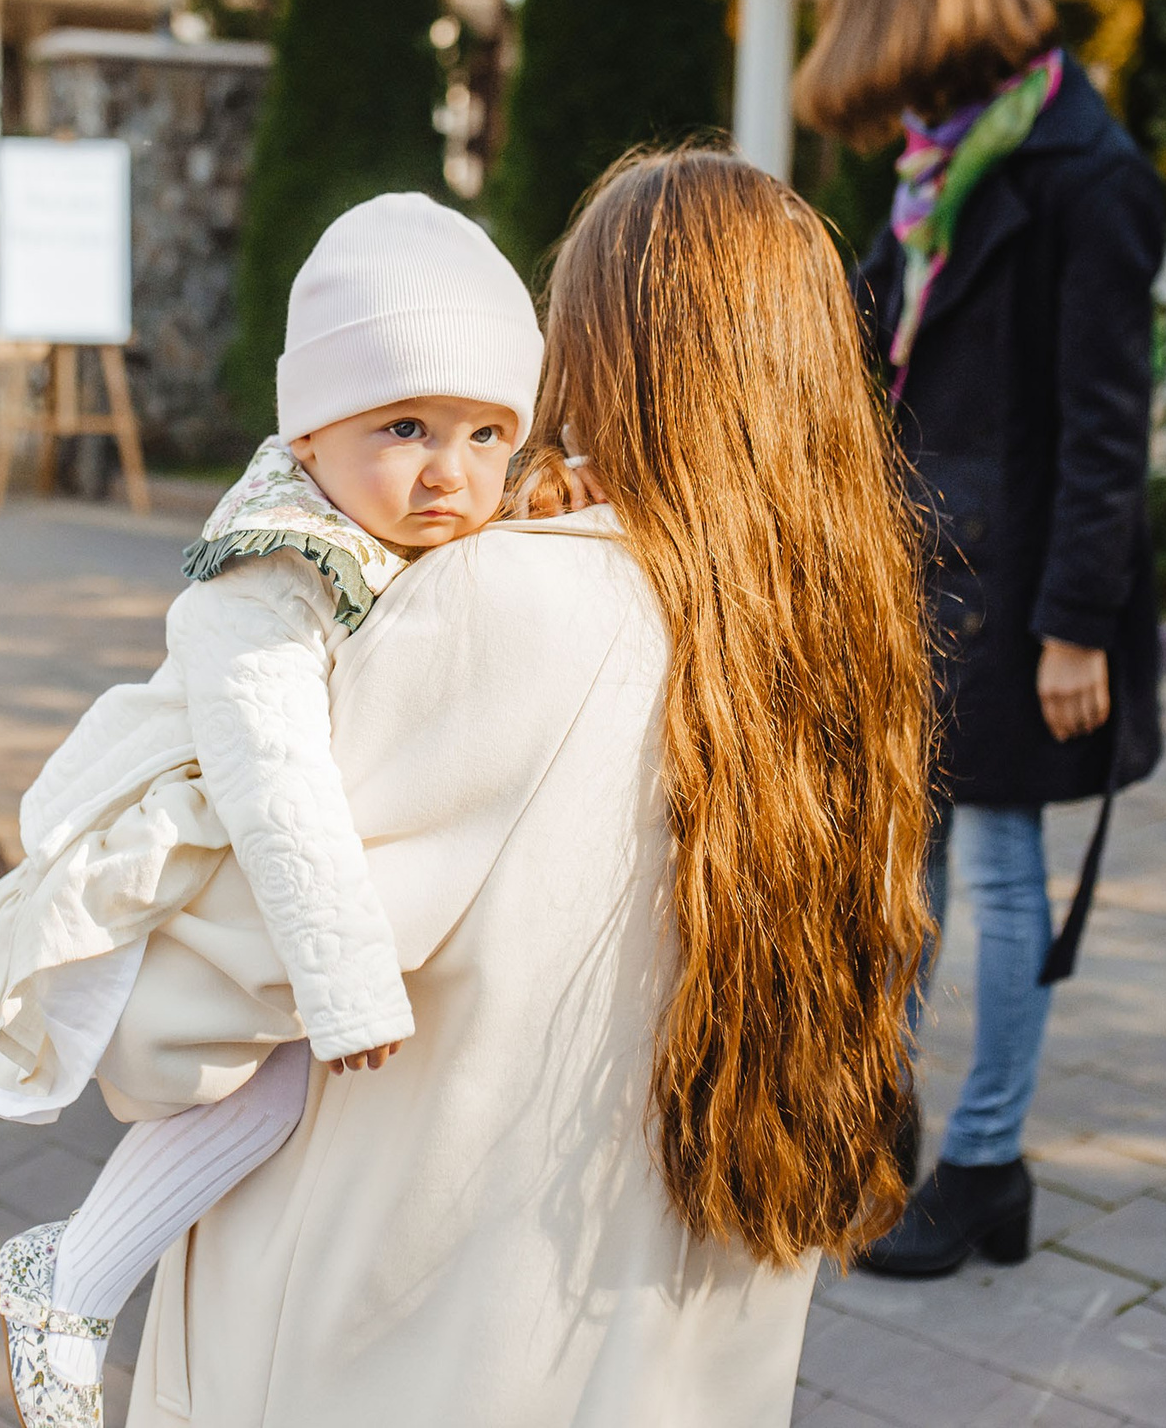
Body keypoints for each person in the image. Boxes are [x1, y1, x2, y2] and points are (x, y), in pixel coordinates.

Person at [92, 151, 931, 1425]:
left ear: (589, 356)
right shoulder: (839, 653)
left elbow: (172, 1032)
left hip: (389, 1353)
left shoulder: (511, 602)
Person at [0, 193, 544, 1427]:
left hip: (269, 874)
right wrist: (349, 982)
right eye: (408, 425)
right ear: (309, 430)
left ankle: (78, 1273)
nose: (450, 472)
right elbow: (280, 789)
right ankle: (70, 1276)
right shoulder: (265, 570)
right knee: (248, 1082)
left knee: (271, 1094)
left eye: (488, 435)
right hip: (203, 852)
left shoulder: (395, 520)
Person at [793, 0, 1166, 1277]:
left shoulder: (1086, 179)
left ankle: (987, 1162)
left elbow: (1103, 425)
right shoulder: (936, 172)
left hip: (1019, 600)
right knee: (903, 870)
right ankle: (872, 1143)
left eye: (892, 71)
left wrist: (1077, 623)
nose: (888, 106)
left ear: (932, 35)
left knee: (1002, 875)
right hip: (922, 579)